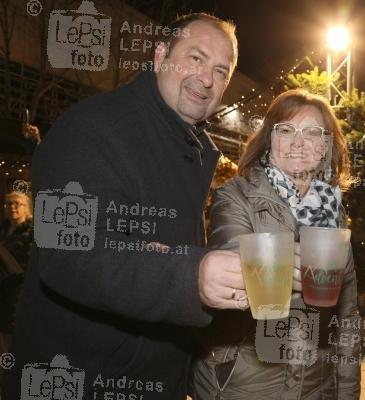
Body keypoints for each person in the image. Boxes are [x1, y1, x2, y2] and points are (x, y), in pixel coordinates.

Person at [2, 13, 247, 400]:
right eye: (196, 58)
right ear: (160, 55)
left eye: (221, 71)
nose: (206, 79)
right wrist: (191, 278)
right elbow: (68, 252)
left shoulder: (191, 150)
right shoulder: (92, 127)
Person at [191, 89, 361, 399]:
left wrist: (348, 393)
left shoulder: (334, 213)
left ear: (326, 147)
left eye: (312, 132)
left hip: (315, 387)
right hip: (244, 383)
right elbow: (232, 270)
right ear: (270, 139)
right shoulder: (236, 196)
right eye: (286, 130)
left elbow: (346, 318)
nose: (299, 142)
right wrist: (287, 268)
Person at [0, 191, 34, 386]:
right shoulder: (3, 229)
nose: (12, 207)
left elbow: (30, 265)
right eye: (8, 203)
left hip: (17, 294)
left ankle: (13, 381)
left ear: (26, 208)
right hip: (2, 291)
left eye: (16, 204)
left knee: (11, 340)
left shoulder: (32, 232)